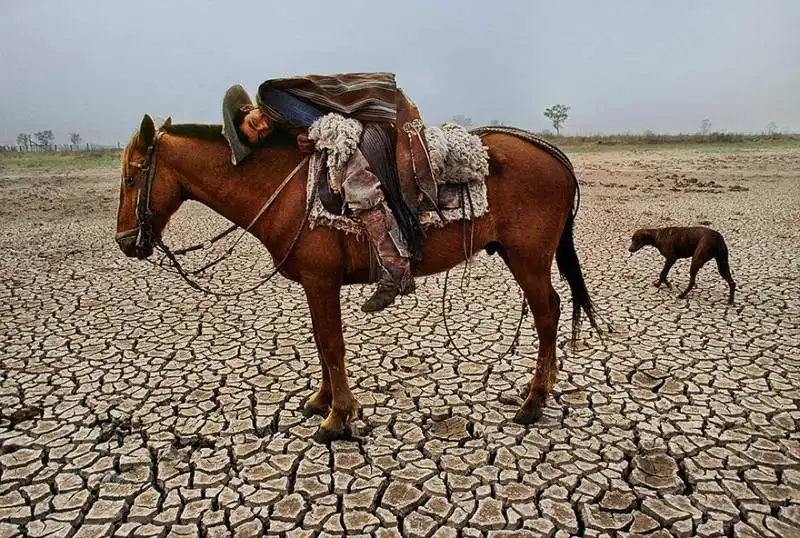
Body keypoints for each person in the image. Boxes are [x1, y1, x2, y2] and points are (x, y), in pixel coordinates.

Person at [221, 73, 415, 312]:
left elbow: (323, 122)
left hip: (353, 126)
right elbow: (307, 128)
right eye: (259, 134)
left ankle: (395, 266)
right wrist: (300, 137)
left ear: (247, 107)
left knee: (357, 185)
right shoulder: (277, 119)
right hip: (345, 127)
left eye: (253, 122)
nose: (262, 127)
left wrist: (310, 135)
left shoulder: (269, 96)